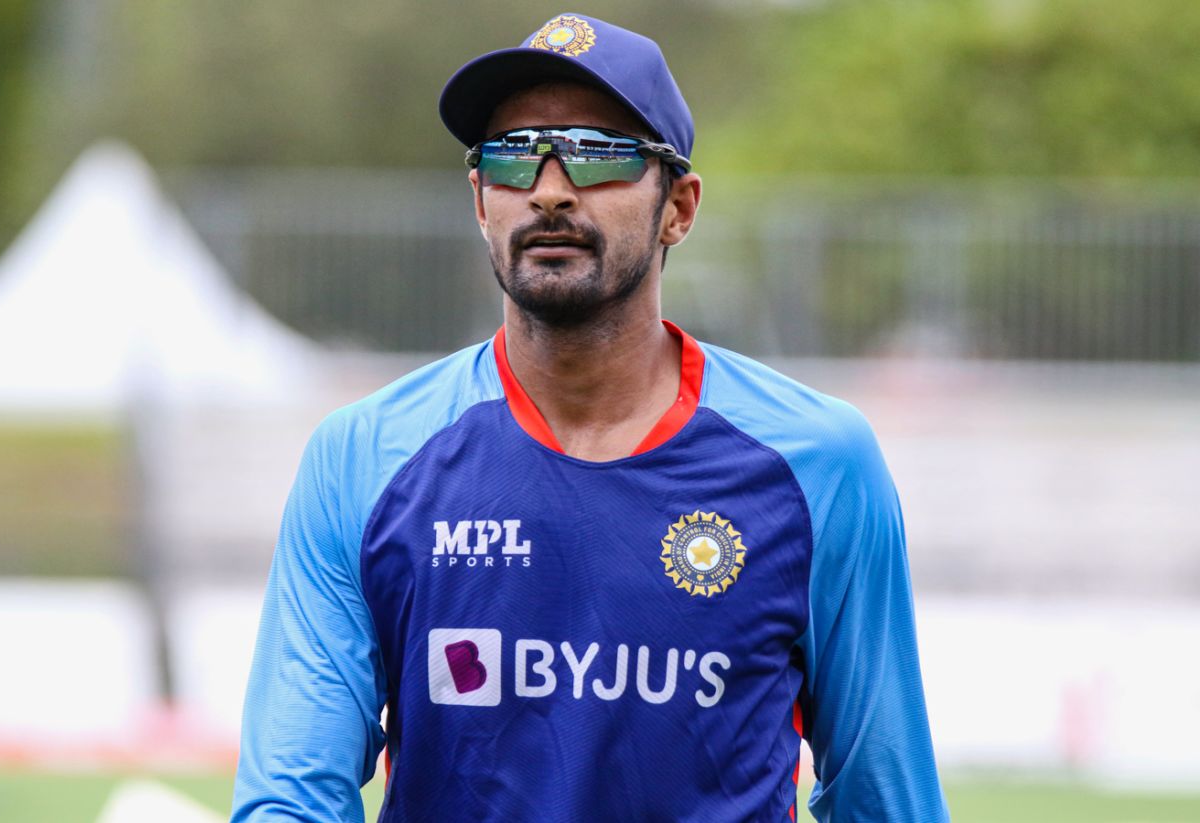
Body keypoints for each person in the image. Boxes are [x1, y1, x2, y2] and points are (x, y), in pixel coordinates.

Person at [231, 13, 949, 823]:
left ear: (678, 206)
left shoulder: (820, 462)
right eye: (512, 154)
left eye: (597, 152)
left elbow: (885, 799)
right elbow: (290, 799)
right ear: (479, 199)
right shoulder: (363, 457)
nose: (549, 188)